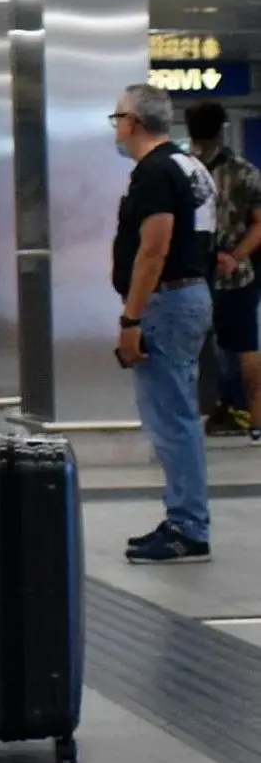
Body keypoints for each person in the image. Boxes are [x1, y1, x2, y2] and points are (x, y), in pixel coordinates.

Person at [111, 84, 216, 564]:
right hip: (191, 294)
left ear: (133, 122)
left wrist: (131, 319)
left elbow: (153, 249)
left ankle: (188, 528)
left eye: (117, 118)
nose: (116, 128)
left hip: (167, 302)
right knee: (179, 416)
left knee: (172, 420)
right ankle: (183, 517)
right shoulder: (190, 166)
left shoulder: (154, 173)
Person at [185, 100, 261, 444]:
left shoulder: (181, 171)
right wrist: (235, 256)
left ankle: (210, 411)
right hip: (236, 275)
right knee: (244, 345)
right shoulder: (245, 171)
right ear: (222, 128)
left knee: (192, 348)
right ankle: (253, 417)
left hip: (189, 275)